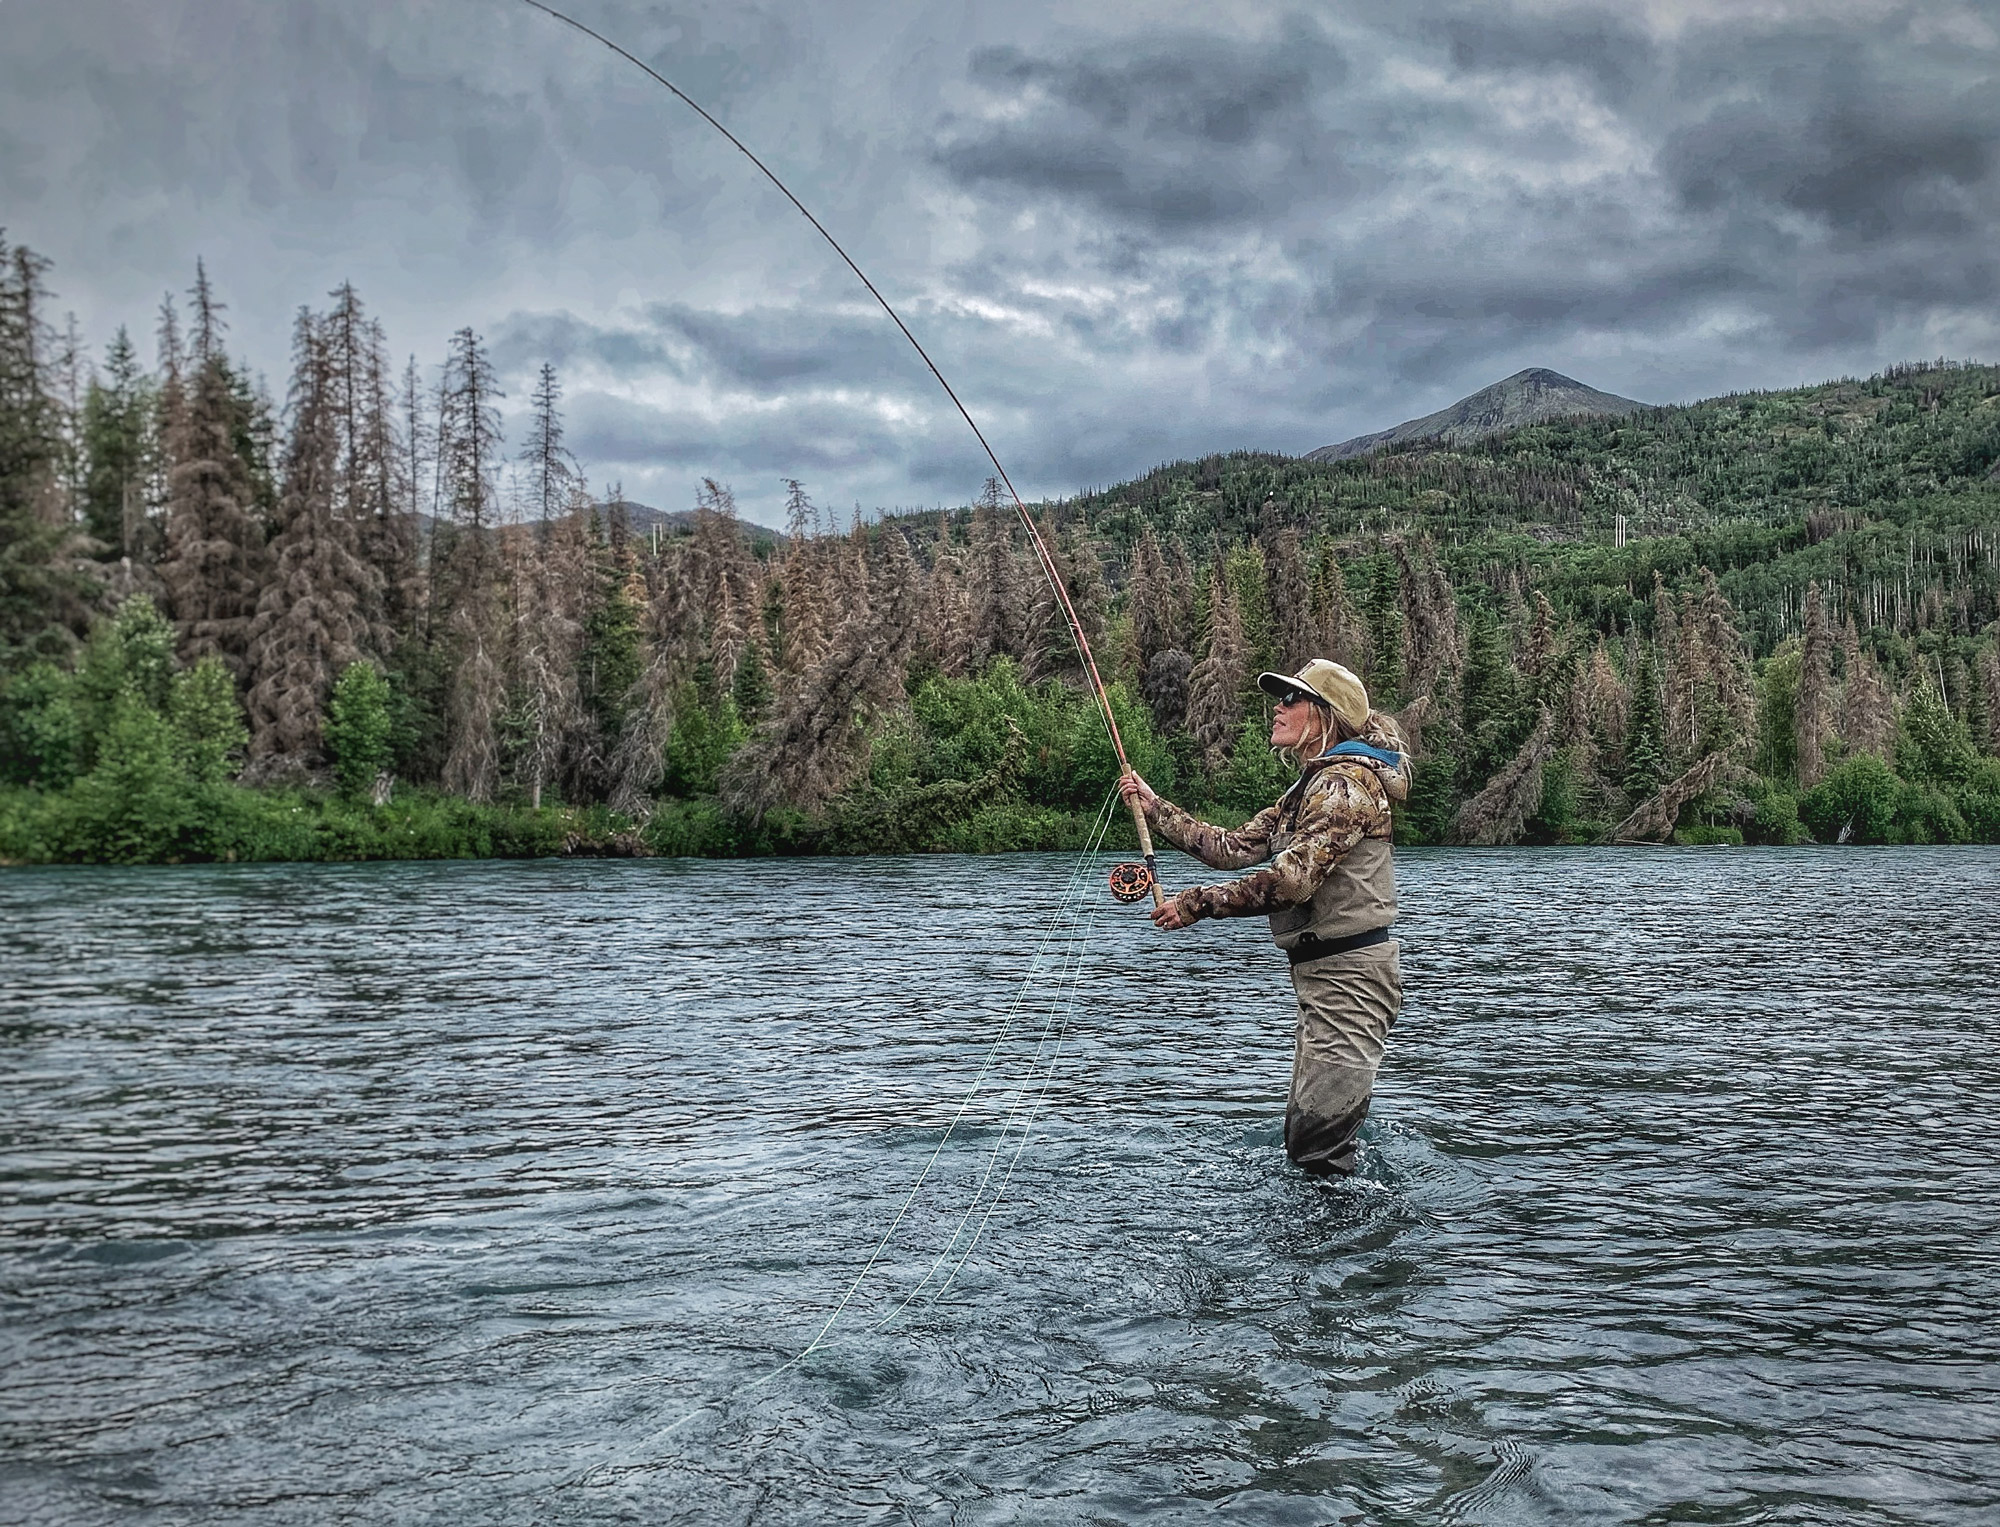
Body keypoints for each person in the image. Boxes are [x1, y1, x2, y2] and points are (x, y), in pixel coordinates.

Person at [1118, 659, 1409, 1178]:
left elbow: (1291, 881)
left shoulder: (1344, 787)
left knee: (1318, 1145)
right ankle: (1321, 1246)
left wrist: (1194, 905)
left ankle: (1342, 1252)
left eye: (1291, 699)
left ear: (1324, 716)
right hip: (1323, 977)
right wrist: (1154, 805)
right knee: (1305, 1139)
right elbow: (1233, 847)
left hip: (1351, 979)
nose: (1277, 706)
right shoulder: (1307, 789)